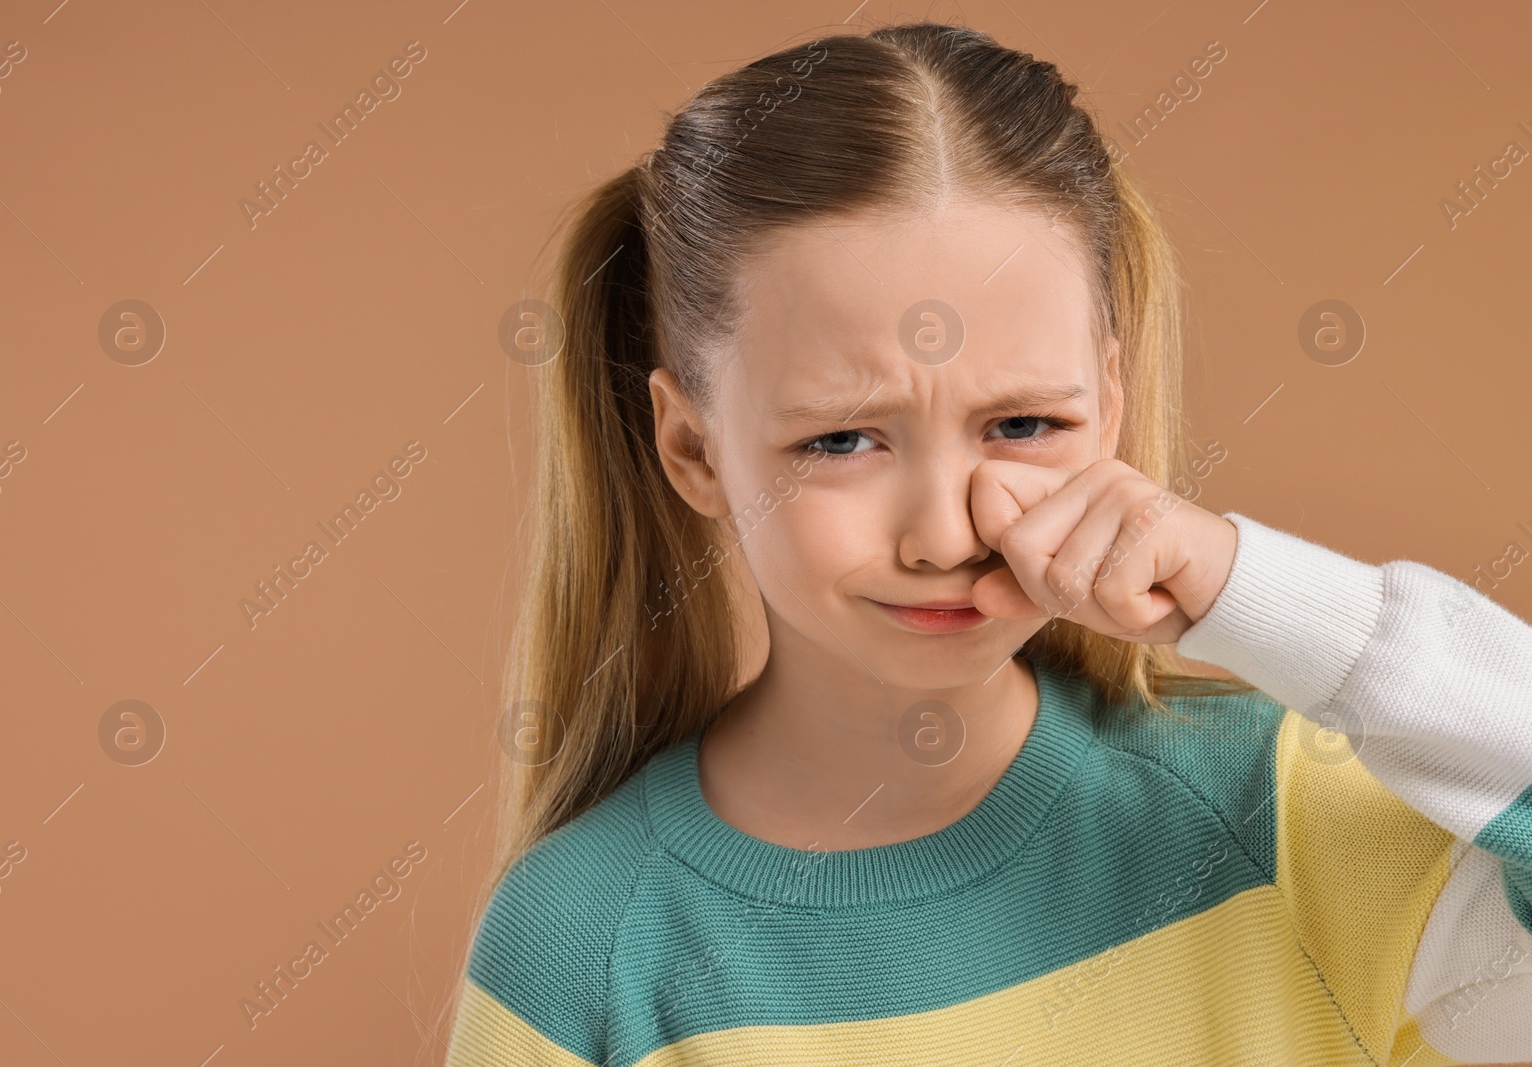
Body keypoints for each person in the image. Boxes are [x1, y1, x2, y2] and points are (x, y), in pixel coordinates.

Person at [441, 21, 1532, 1066]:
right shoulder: (583, 944)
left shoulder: (1292, 819)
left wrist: (1267, 597)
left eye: (1020, 425)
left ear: (1108, 402)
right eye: (840, 438)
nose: (945, 533)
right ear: (693, 449)